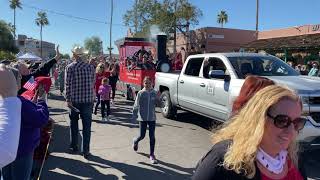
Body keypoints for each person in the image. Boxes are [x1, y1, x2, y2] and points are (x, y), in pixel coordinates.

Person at [192, 85, 307, 180]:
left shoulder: (294, 158)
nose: (291, 131)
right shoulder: (225, 159)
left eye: (297, 122)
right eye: (282, 121)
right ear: (258, 120)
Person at [2, 81, 49, 180]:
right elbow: (40, 119)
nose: (21, 79)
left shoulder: (4, 100)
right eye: (18, 77)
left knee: (7, 176)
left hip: (6, 149)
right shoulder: (18, 102)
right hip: (21, 151)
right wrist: (42, 100)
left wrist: (33, 102)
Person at [65, 46, 95, 159]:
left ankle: (74, 146)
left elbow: (68, 85)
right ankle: (86, 150)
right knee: (87, 126)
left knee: (74, 124)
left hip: (74, 100)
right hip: (88, 100)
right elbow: (92, 83)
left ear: (75, 55)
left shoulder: (70, 67)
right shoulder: (91, 67)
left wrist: (68, 99)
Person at [132, 76, 159, 164]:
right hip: (142, 118)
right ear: (143, 83)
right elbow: (136, 105)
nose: (147, 84)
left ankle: (152, 155)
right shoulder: (140, 93)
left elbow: (159, 104)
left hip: (152, 118)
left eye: (149, 83)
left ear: (152, 84)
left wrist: (159, 98)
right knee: (142, 136)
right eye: (145, 83)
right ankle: (135, 141)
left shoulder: (154, 93)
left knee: (152, 137)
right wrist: (134, 115)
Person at [0, 64, 21, 168]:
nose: (21, 78)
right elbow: (6, 152)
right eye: (19, 77)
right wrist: (40, 102)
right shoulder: (23, 102)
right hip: (23, 152)